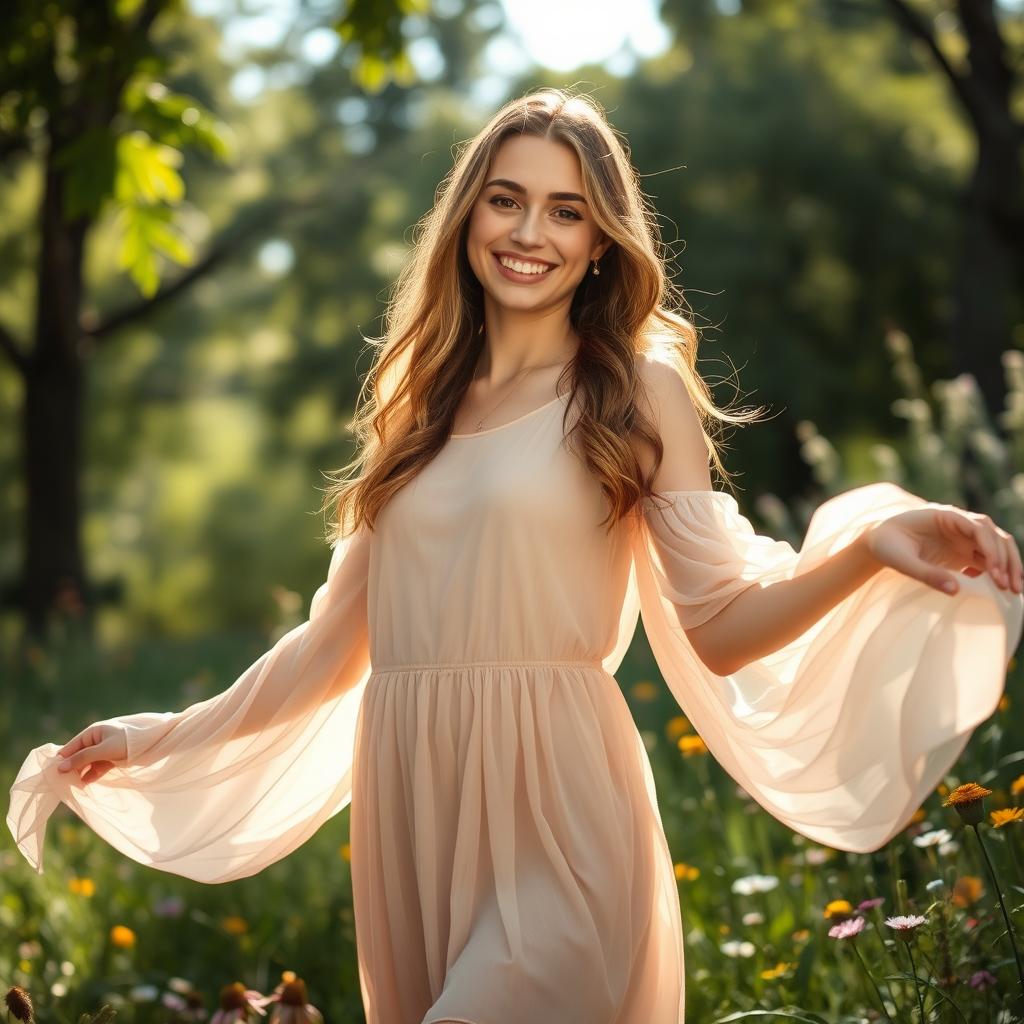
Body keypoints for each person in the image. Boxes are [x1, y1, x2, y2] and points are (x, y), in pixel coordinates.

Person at [8, 87, 1023, 1024]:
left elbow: (719, 627)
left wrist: (865, 554)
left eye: (566, 210)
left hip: (558, 804)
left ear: (599, 243)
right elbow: (330, 652)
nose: (529, 232)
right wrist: (160, 734)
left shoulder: (632, 388)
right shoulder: (413, 410)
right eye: (505, 200)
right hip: (417, 809)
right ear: (466, 221)